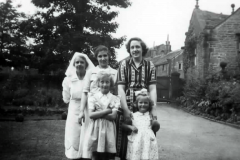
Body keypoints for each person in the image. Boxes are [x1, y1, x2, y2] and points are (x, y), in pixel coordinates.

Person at [116, 37, 160, 159]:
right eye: (132, 47)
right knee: (128, 136)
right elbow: (120, 88)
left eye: (137, 47)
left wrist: (153, 108)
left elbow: (152, 88)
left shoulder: (149, 65)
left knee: (147, 133)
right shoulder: (124, 64)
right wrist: (125, 109)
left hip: (144, 105)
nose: (135, 50)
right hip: (128, 104)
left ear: (142, 49)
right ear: (129, 50)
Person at [79, 45, 117, 159]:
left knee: (107, 142)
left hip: (109, 109)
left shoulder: (115, 72)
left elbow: (116, 92)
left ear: (109, 56)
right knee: (93, 141)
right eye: (100, 56)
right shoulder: (90, 72)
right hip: (93, 109)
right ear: (96, 58)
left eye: (105, 55)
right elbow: (85, 92)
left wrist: (112, 109)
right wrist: (81, 111)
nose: (103, 58)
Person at [62, 52, 95, 159]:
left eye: (82, 62)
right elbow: (66, 98)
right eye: (77, 62)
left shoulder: (91, 78)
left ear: (86, 64)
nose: (79, 64)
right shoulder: (68, 79)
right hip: (73, 108)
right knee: (73, 133)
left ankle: (86, 156)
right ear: (73, 64)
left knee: (87, 133)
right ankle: (73, 156)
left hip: (88, 108)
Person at [83, 71, 120, 160]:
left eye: (107, 82)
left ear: (110, 83)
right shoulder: (92, 97)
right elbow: (91, 115)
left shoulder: (115, 98)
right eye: (102, 82)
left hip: (109, 129)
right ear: (98, 83)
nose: (104, 84)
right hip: (95, 129)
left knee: (107, 155)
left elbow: (113, 117)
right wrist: (107, 110)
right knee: (95, 154)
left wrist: (98, 113)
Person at [125, 89, 159, 160]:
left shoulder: (150, 116)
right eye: (140, 102)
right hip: (136, 139)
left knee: (147, 155)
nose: (143, 104)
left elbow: (156, 128)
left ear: (149, 104)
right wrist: (130, 127)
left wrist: (156, 123)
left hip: (148, 140)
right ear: (136, 104)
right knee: (136, 156)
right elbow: (123, 125)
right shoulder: (133, 115)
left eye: (145, 103)